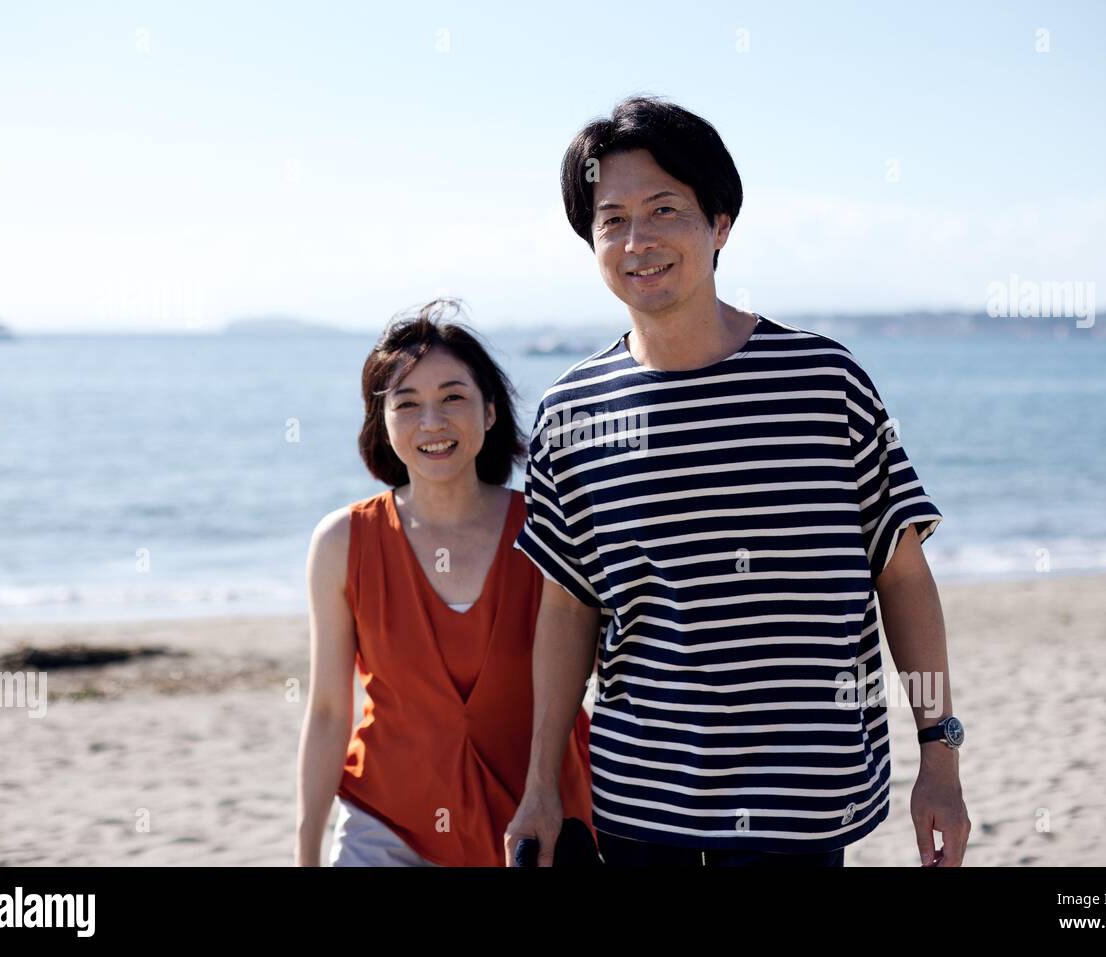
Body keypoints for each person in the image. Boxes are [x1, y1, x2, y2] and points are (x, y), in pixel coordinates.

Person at [504, 96, 970, 868]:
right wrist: (542, 784)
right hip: (640, 803)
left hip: (803, 802)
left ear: (719, 225)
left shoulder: (824, 382)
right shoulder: (571, 412)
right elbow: (567, 606)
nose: (637, 239)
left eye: (664, 210)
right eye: (611, 218)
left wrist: (940, 758)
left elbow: (903, 576)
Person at [296, 298, 594, 867]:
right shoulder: (341, 543)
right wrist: (306, 851)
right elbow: (331, 712)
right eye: (407, 404)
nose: (431, 423)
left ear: (489, 413)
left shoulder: (548, 528)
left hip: (536, 824)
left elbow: (613, 680)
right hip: (386, 825)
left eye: (453, 397)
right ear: (382, 423)